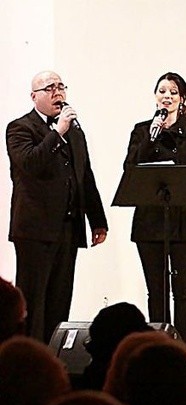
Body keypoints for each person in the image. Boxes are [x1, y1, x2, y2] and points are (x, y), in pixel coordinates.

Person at [6, 70, 108, 344]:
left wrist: (97, 220)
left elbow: (84, 176)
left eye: (61, 86)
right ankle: (27, 359)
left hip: (68, 227)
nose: (57, 92)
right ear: (34, 96)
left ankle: (52, 360)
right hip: (35, 231)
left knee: (60, 301)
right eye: (49, 88)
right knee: (33, 303)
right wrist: (57, 132)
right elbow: (30, 164)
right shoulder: (20, 128)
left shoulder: (75, 131)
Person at [124, 72, 186, 346]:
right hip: (150, 223)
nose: (167, 96)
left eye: (173, 92)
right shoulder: (142, 131)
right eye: (162, 91)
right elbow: (130, 169)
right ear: (155, 97)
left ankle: (183, 350)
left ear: (182, 98)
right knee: (157, 291)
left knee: (184, 291)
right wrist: (151, 138)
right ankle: (159, 347)